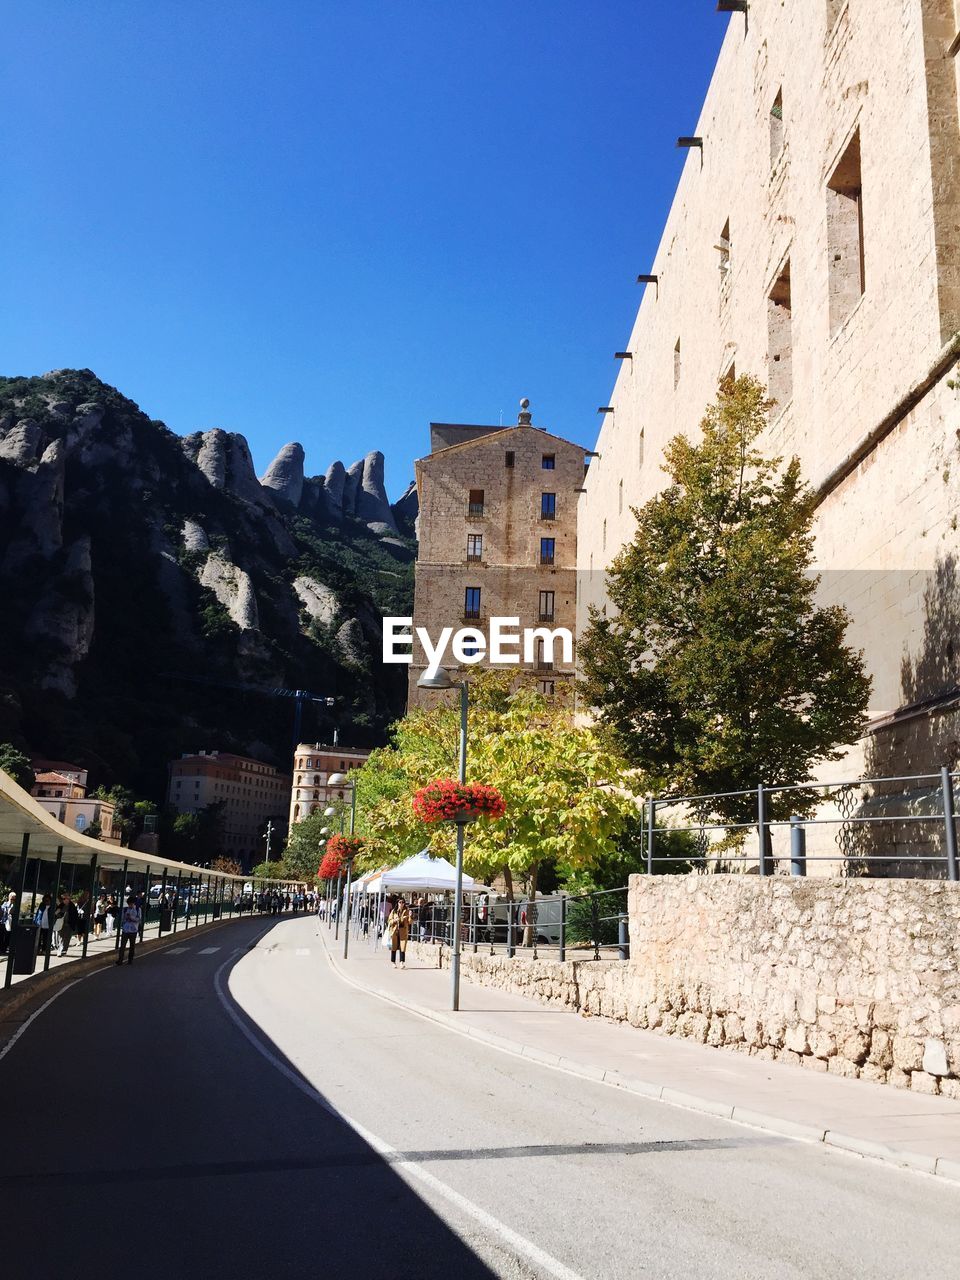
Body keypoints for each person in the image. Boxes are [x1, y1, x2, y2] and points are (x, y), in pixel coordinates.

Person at [117, 895, 141, 965]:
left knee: (132, 945)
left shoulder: (137, 909)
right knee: (122, 946)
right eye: (129, 904)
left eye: (131, 904)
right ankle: (120, 960)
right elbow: (122, 919)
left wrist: (132, 918)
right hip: (126, 929)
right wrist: (125, 918)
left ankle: (130, 959)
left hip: (133, 929)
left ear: (134, 903)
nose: (130, 905)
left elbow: (139, 919)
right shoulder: (125, 909)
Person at [387, 896, 410, 967]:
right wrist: (395, 920)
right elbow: (389, 921)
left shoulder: (407, 911)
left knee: (402, 948)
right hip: (395, 932)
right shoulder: (393, 911)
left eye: (403, 902)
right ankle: (393, 962)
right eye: (400, 902)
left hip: (403, 932)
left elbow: (410, 921)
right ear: (398, 903)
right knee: (394, 947)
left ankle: (402, 962)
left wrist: (411, 917)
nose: (401, 904)